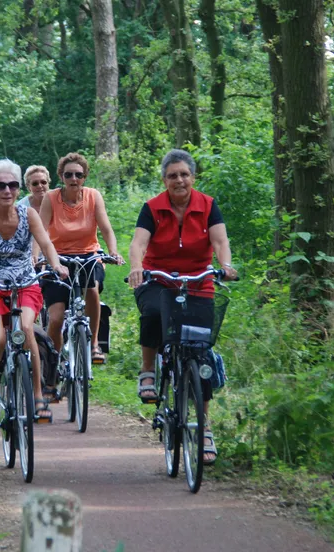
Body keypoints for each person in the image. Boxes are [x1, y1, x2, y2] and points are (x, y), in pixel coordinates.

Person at [127, 148, 238, 466]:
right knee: (152, 312)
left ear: (193, 177)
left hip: (198, 282)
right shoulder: (152, 208)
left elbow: (220, 241)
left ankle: (204, 428)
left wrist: (225, 266)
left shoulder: (208, 205)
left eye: (184, 174)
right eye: (173, 175)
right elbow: (138, 243)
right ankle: (148, 372)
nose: (179, 180)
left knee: (200, 354)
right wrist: (137, 268)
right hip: (157, 280)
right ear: (164, 180)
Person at [0, 159, 69, 432]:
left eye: (13, 185)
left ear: (19, 189)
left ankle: (38, 394)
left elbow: (45, 243)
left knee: (27, 329)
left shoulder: (28, 214)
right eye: (1, 185)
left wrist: (56, 265)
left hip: (24, 284)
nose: (7, 190)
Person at [39, 152, 124, 376]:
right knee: (56, 317)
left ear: (85, 177)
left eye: (78, 174)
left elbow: (106, 228)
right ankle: (53, 363)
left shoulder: (93, 196)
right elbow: (40, 231)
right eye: (68, 175)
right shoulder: (50, 198)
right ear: (61, 176)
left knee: (92, 290)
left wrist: (113, 251)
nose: (73, 179)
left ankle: (94, 343)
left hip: (88, 255)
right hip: (58, 258)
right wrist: (36, 257)